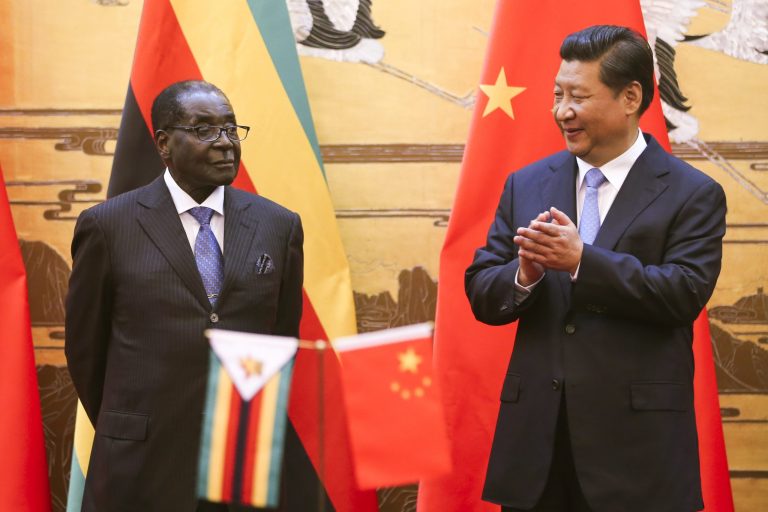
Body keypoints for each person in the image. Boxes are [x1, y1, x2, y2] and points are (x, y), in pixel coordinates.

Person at [465, 25, 726, 512]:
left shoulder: (693, 193)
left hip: (636, 456)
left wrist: (583, 260)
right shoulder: (527, 183)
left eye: (578, 97)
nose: (562, 111)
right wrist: (526, 274)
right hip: (538, 452)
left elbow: (683, 293)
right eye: (557, 95)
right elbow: (482, 289)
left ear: (630, 97)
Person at [65, 80, 304, 511]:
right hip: (138, 465)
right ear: (163, 143)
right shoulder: (108, 226)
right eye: (205, 130)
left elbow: (282, 337)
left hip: (240, 467)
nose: (225, 143)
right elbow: (86, 350)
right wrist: (133, 420)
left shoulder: (278, 225)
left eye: (231, 129)